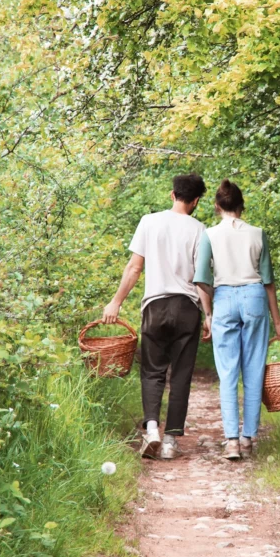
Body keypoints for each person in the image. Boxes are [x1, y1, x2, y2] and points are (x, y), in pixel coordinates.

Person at [103, 173, 207, 460]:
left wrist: (116, 302)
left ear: (172, 195)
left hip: (155, 306)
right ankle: (172, 441)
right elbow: (202, 280)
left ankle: (151, 430)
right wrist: (209, 315)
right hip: (187, 308)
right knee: (182, 373)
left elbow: (135, 268)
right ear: (196, 201)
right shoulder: (200, 230)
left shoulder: (149, 222)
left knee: (152, 370)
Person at [193, 179, 280, 460]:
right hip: (254, 297)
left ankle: (232, 441)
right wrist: (279, 322)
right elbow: (268, 282)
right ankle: (248, 437)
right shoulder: (258, 233)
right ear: (241, 205)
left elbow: (201, 280)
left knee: (227, 372)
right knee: (254, 368)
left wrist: (209, 315)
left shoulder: (209, 235)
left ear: (217, 206)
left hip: (223, 298)